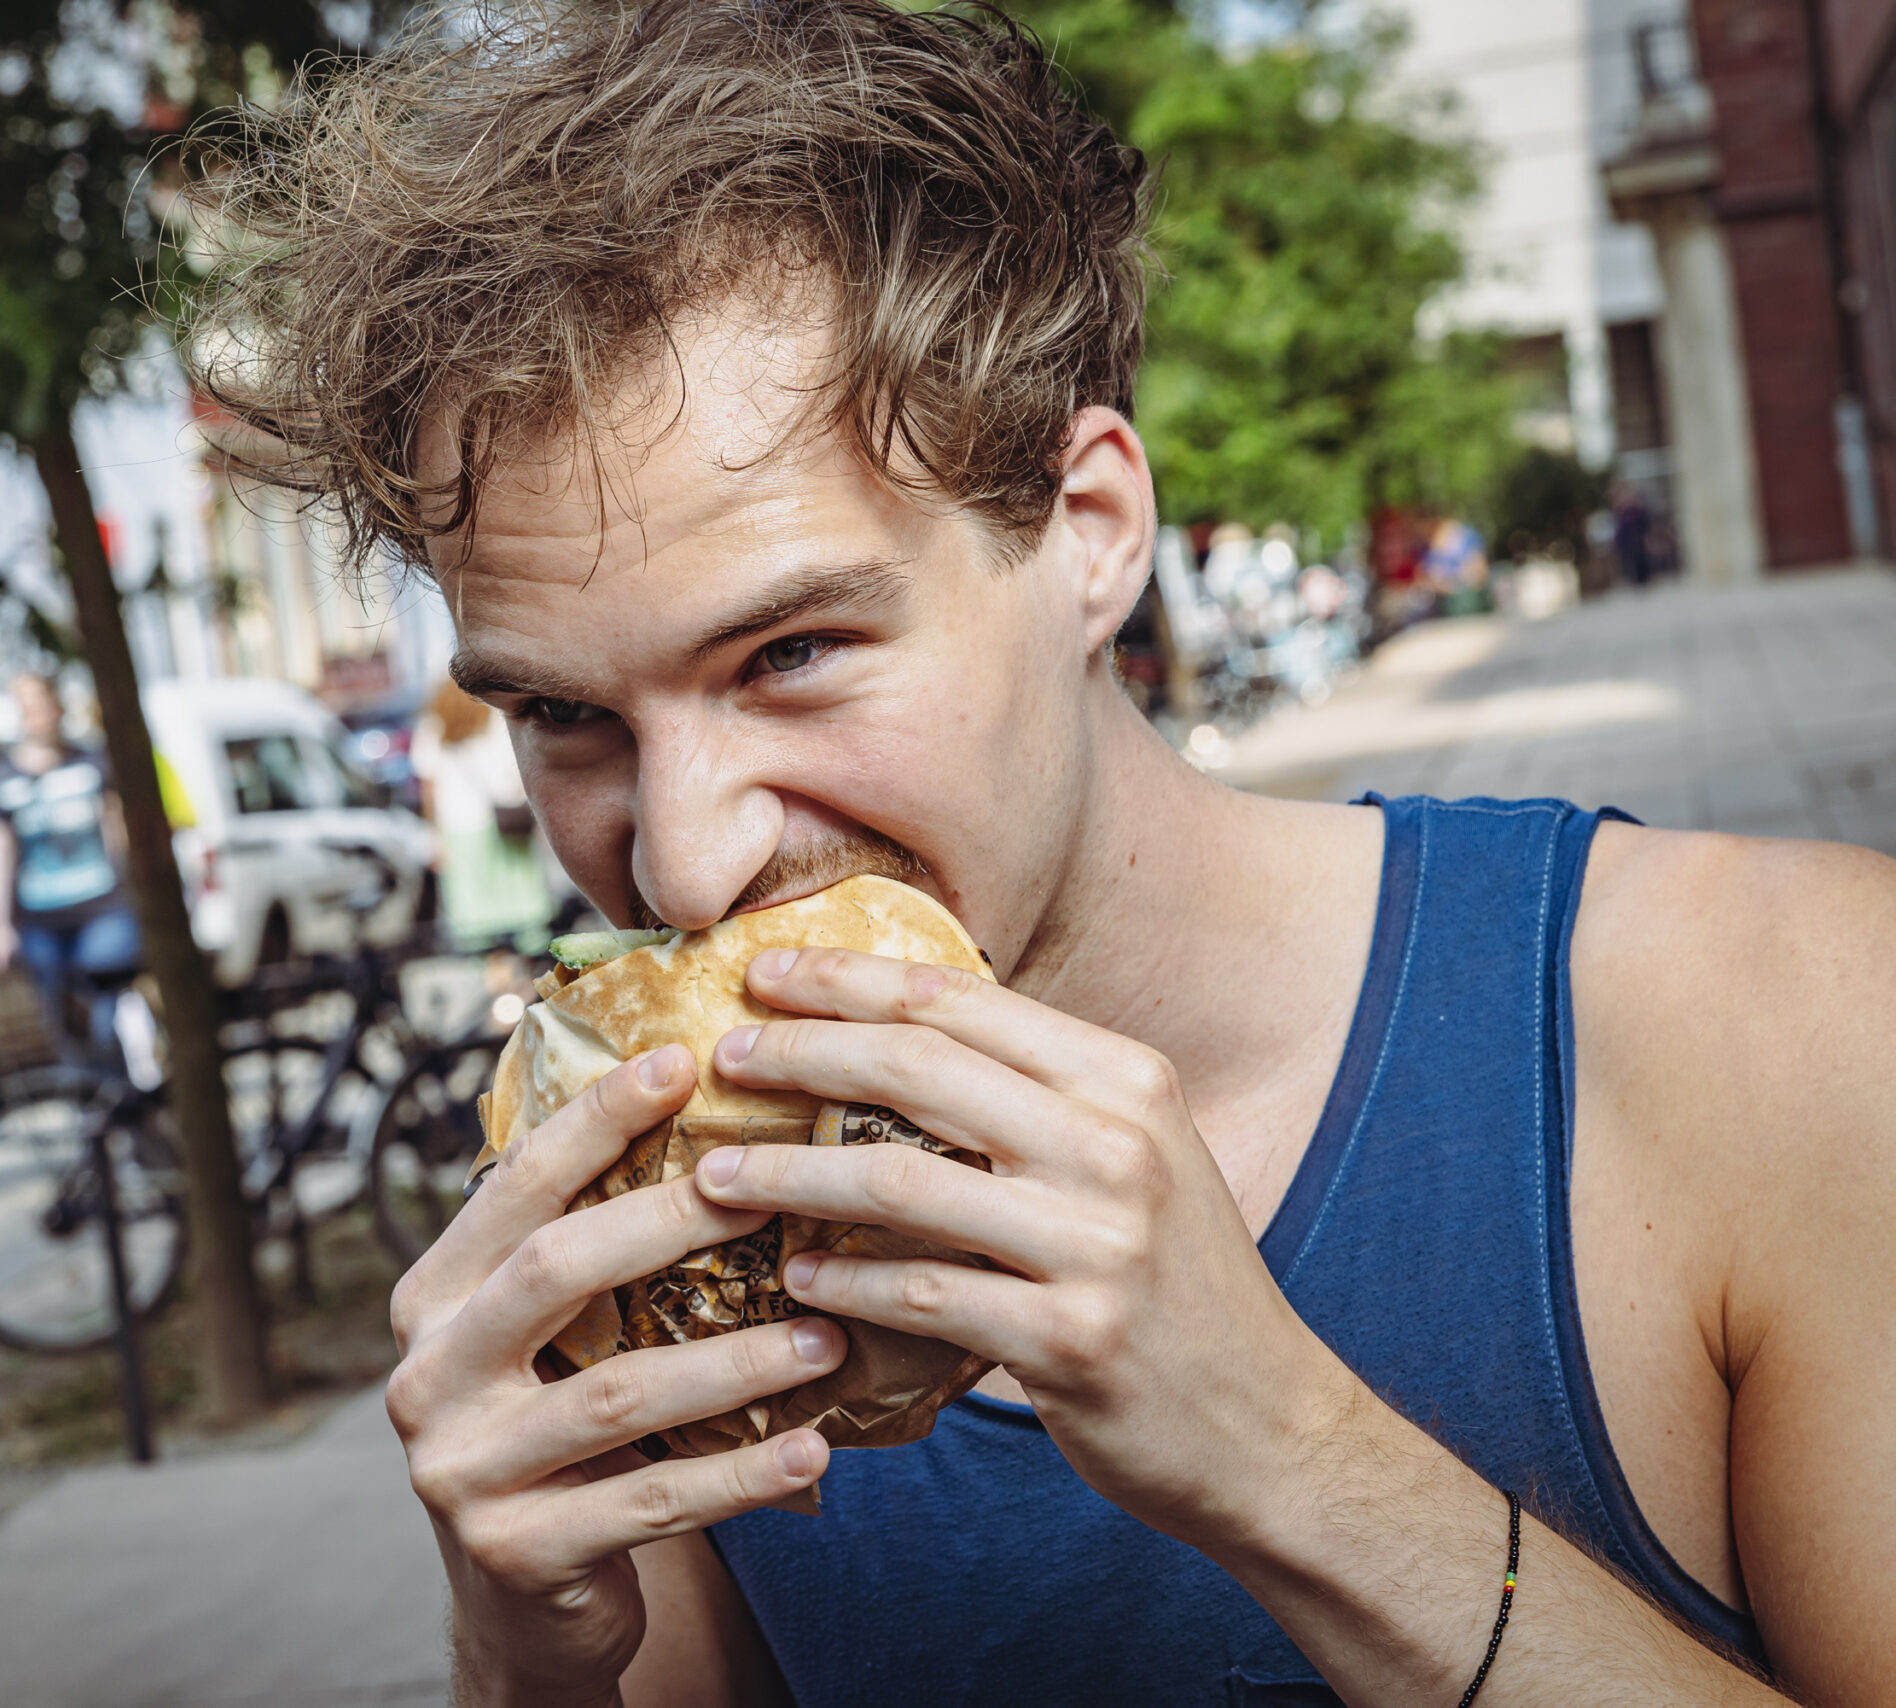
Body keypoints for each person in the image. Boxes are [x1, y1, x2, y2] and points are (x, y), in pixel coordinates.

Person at [192, 4, 1896, 1704]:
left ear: (1091, 534)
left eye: (789, 654)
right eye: (565, 715)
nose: (690, 866)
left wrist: (1295, 1460)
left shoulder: (1790, 1024)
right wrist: (521, 1651)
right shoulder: (639, 1256)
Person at [0, 671, 138, 1061]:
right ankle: (91, 1106)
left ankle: (124, 1095)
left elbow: (118, 829)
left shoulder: (93, 760)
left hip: (103, 909)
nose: (38, 715)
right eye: (28, 707)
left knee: (102, 1007)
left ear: (58, 705)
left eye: (43, 703)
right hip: (40, 921)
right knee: (61, 1019)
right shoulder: (0, 775)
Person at [413, 678, 556, 951]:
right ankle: (530, 966)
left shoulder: (434, 723)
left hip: (457, 823)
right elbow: (516, 772)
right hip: (503, 820)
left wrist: (433, 834)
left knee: (472, 909)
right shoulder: (494, 717)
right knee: (523, 900)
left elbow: (428, 785)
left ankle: (487, 968)